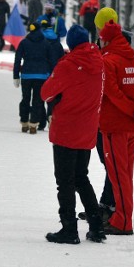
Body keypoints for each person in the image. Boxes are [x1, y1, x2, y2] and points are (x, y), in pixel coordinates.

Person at [41, 24, 106, 244]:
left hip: (66, 130)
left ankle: (69, 229)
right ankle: (96, 226)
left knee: (65, 181)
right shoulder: (99, 63)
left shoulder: (68, 64)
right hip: (87, 129)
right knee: (81, 178)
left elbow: (46, 93)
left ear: (70, 43)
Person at [95, 7, 134, 236]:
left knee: (118, 175)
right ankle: (123, 216)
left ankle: (123, 221)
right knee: (124, 174)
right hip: (131, 128)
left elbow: (112, 93)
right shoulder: (133, 61)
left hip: (114, 127)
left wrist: (133, 112)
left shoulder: (108, 62)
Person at [13, 22, 54, 134]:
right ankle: (33, 125)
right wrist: (51, 76)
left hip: (26, 75)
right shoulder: (46, 43)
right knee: (37, 100)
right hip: (41, 76)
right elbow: (51, 61)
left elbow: (17, 60)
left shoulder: (24, 42)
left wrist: (16, 76)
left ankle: (24, 122)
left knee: (25, 98)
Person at [41, 19, 65, 130]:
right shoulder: (57, 42)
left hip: (41, 72)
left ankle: (40, 121)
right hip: (54, 73)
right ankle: (50, 116)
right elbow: (62, 58)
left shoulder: (41, 40)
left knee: (39, 97)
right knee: (52, 98)